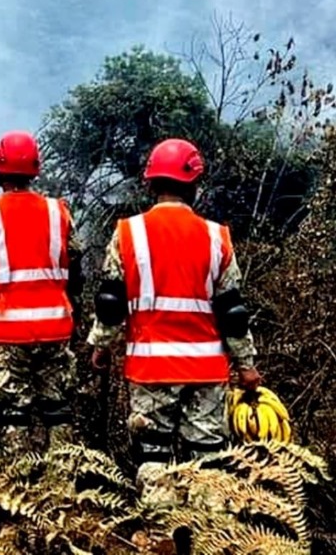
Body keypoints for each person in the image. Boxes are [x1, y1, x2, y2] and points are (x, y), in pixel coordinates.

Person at [88, 138, 260, 502]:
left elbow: (110, 304)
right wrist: (246, 365)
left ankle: (159, 535)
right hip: (206, 372)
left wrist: (101, 348)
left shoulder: (128, 234)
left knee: (153, 463)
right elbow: (233, 312)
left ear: (151, 183)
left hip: (151, 370)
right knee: (210, 465)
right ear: (194, 184)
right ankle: (211, 538)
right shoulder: (217, 237)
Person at [0, 132, 82, 450]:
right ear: (35, 169)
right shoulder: (60, 213)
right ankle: (64, 488)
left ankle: (22, 488)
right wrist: (75, 319)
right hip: (56, 331)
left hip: (5, 335)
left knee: (13, 419)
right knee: (59, 414)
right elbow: (77, 275)